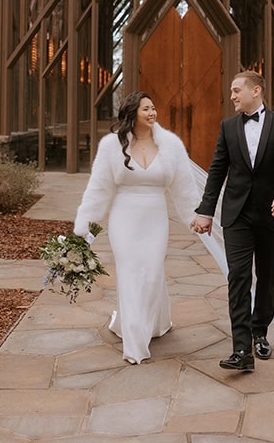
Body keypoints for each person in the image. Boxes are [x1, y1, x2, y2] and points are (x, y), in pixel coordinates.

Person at [74, 91, 199, 365]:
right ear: (132, 113)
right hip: (124, 218)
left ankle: (154, 322)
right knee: (130, 274)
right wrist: (84, 227)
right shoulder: (110, 146)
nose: (153, 113)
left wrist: (195, 217)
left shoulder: (171, 145)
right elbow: (99, 188)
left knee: (152, 273)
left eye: (154, 108)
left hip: (155, 218)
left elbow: (184, 187)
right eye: (146, 109)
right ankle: (134, 343)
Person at [192, 70, 274, 372]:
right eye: (231, 91)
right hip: (236, 215)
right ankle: (241, 349)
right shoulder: (228, 127)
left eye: (236, 90)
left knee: (267, 278)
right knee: (238, 278)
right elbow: (217, 171)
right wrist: (205, 211)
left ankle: (260, 330)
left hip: (272, 213)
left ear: (256, 90)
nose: (232, 96)